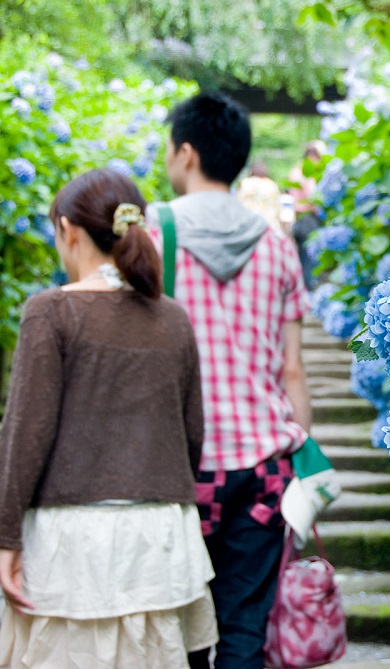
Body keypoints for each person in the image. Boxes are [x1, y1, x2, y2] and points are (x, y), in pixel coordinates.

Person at [0, 169, 216, 668]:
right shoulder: (172, 317)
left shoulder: (50, 312)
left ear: (67, 229)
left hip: (71, 544)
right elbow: (192, 436)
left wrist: (7, 534)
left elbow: (25, 435)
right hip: (162, 538)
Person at [147, 91, 313, 669]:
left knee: (181, 625)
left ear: (186, 153)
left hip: (178, 467)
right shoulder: (276, 245)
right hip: (264, 465)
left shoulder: (150, 234)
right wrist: (302, 458)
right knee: (245, 626)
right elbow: (293, 367)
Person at [287, 140, 325, 289]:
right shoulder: (308, 172)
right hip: (309, 219)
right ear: (315, 155)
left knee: (302, 258)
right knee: (310, 260)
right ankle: (307, 293)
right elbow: (313, 196)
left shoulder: (295, 170)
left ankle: (301, 291)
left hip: (298, 220)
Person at [237, 160, 282, 233]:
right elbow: (277, 207)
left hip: (249, 224)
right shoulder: (271, 185)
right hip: (269, 224)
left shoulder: (246, 183)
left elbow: (239, 204)